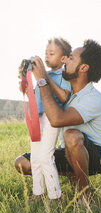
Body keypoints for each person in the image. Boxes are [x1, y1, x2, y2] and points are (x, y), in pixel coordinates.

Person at [15, 39, 101, 204]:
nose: (66, 60)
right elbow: (44, 102)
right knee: (22, 163)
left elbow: (57, 119)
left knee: (71, 136)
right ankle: (73, 173)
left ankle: (84, 194)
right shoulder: (64, 90)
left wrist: (43, 79)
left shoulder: (93, 98)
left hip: (94, 157)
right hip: (67, 151)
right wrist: (28, 84)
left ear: (83, 68)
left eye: (71, 58)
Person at [19, 38, 72, 203]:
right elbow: (34, 97)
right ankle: (38, 192)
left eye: (51, 53)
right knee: (35, 157)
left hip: (51, 119)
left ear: (63, 59)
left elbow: (64, 96)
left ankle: (56, 197)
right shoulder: (43, 75)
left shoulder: (64, 76)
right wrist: (25, 81)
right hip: (37, 118)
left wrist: (44, 78)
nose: (46, 57)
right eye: (45, 53)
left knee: (45, 157)